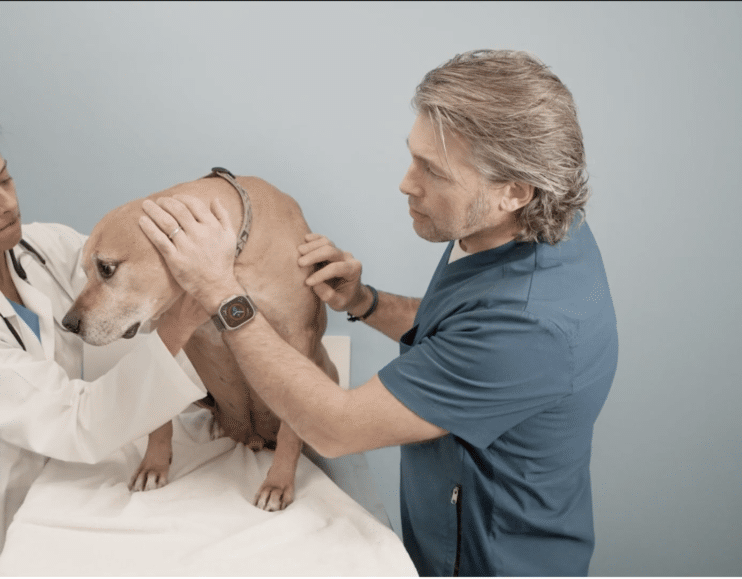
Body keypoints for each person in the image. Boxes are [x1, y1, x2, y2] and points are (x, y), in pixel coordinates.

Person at [138, 49, 618, 576]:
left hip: (490, 559)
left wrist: (221, 293)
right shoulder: (524, 227)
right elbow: (456, 329)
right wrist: (364, 302)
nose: (406, 183)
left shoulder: (530, 326)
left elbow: (336, 428)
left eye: (432, 171)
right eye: (413, 156)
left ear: (512, 192)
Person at [0, 118, 209, 576]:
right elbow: (76, 419)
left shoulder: (38, 247)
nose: (6, 204)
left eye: (5, 179)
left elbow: (120, 284)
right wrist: (182, 321)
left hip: (55, 485)